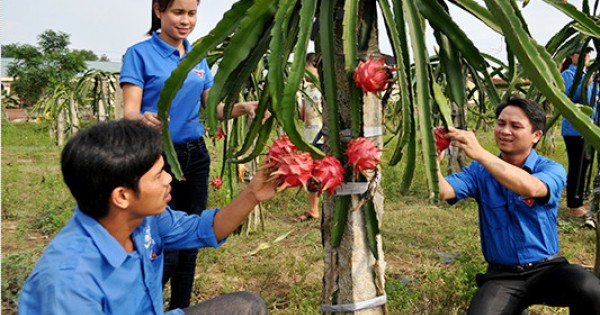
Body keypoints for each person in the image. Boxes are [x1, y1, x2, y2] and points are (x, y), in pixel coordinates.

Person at [18, 119, 276, 315]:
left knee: (246, 306)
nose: (168, 179)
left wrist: (252, 193)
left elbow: (204, 229)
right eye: (158, 174)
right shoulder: (69, 282)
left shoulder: (147, 219)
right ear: (121, 196)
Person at [119, 0, 264, 309]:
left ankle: (180, 306)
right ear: (158, 11)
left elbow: (214, 108)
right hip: (157, 158)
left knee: (190, 245)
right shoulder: (139, 54)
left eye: (192, 13)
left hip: (195, 156)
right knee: (165, 243)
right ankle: (147, 304)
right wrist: (143, 119)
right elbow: (129, 111)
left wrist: (245, 108)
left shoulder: (198, 56)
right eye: (177, 12)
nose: (185, 21)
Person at [436, 97, 600, 314]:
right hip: (503, 276)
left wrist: (480, 153)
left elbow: (531, 188)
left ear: (536, 135)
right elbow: (444, 190)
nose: (504, 131)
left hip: (547, 269)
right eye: (501, 123)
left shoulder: (551, 168)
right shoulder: (479, 172)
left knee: (590, 288)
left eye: (515, 126)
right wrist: (433, 159)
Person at [560, 43, 597, 228]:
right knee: (577, 164)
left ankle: (581, 197)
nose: (586, 57)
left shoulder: (590, 75)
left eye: (588, 53)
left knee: (587, 163)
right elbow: (571, 97)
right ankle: (574, 205)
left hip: (590, 128)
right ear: (572, 56)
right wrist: (586, 84)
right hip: (575, 129)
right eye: (581, 53)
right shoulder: (568, 74)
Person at [294, 53, 324, 222]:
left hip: (323, 138)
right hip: (310, 138)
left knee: (323, 174)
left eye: (308, 70)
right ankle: (313, 210)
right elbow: (302, 115)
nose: (306, 74)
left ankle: (319, 209)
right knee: (312, 176)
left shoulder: (326, 90)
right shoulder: (306, 90)